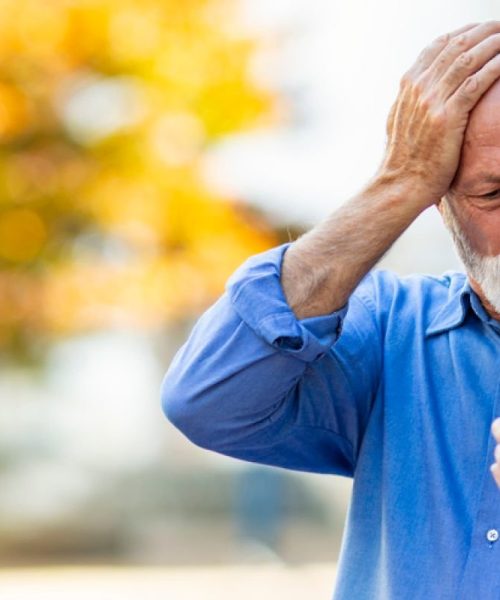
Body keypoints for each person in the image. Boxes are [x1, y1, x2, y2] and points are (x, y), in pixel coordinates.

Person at [161, 22, 500, 599]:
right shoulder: (392, 331)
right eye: (494, 195)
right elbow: (208, 400)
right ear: (439, 205)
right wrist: (398, 181)